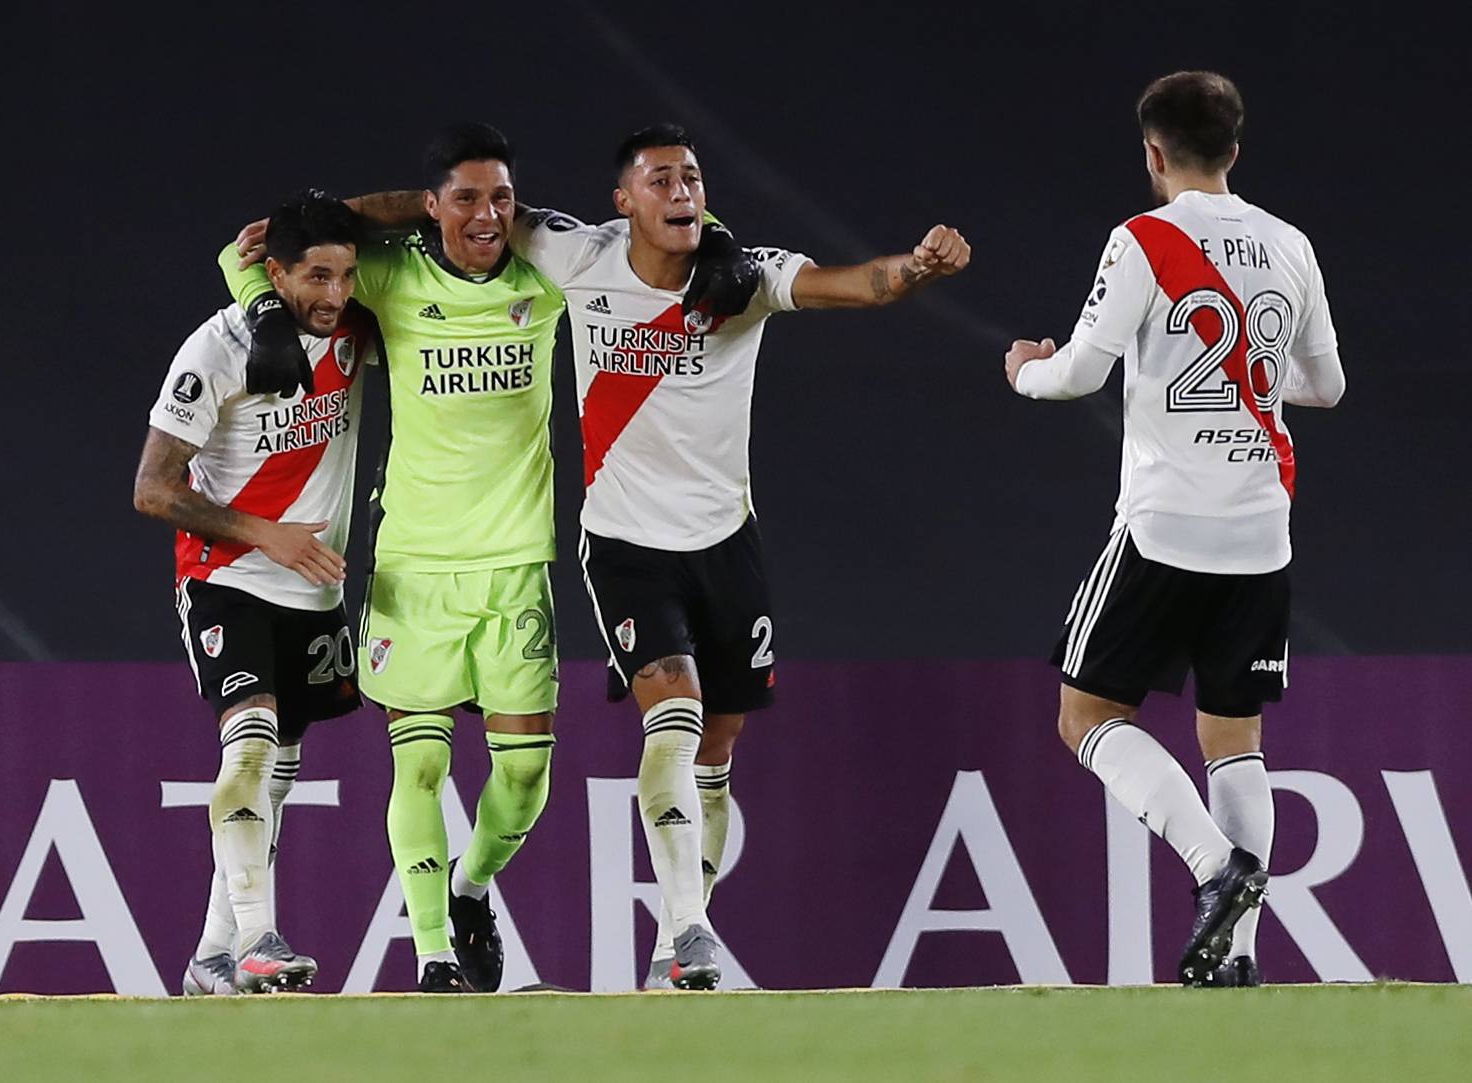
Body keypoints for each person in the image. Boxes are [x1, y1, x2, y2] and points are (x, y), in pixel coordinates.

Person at [220, 122, 759, 993]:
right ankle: (434, 954)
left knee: (523, 780)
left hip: (517, 567)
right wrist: (264, 312)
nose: (486, 215)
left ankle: (469, 889)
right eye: (464, 198)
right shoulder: (390, 275)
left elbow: (661, 237)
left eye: (501, 197)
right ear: (430, 207)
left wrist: (724, 237)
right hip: (416, 567)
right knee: (420, 766)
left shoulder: (554, 275)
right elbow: (246, 253)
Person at [513, 123, 971, 988]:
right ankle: (689, 935)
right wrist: (342, 217)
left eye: (691, 176)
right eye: (660, 179)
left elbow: (857, 286)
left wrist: (917, 267)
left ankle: (673, 953)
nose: (681, 189)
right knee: (675, 714)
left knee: (717, 749)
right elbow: (471, 209)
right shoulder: (577, 255)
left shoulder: (744, 278)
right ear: (624, 202)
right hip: (625, 544)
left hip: (727, 542)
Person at [1003, 71, 1345, 987]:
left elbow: (1079, 372)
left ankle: (1213, 867)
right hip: (1261, 537)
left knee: (1085, 717)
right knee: (1234, 739)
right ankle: (1233, 956)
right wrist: (1252, 385)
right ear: (1235, 150)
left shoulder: (1144, 239)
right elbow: (1327, 386)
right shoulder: (1290, 244)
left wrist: (1026, 370)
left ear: (1153, 154)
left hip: (1163, 531)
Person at [134, 190, 375, 994]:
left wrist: (339, 208)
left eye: (344, 275)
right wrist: (265, 532)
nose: (333, 294)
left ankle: (212, 953)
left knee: (277, 776)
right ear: (272, 274)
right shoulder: (217, 348)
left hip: (311, 589)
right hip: (227, 574)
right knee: (250, 747)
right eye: (314, 275)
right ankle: (259, 937)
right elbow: (152, 489)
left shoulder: (354, 327)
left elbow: (433, 210)